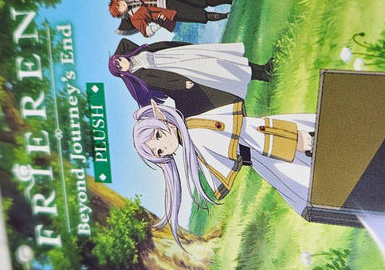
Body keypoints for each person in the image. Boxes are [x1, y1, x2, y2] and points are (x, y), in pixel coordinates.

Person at [132, 100, 314, 249]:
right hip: (264, 158)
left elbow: (249, 130)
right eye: (159, 152)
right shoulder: (191, 139)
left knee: (309, 183)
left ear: (163, 119)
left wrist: (292, 139)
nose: (164, 146)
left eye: (158, 136)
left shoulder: (196, 130)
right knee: (307, 190)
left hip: (273, 145)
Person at [109, 38, 273, 117]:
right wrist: (182, 83)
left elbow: (124, 42)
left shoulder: (137, 53)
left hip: (182, 57)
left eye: (119, 60)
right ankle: (263, 76)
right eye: (119, 67)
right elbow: (164, 81)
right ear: (122, 74)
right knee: (220, 72)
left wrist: (186, 48)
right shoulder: (141, 76)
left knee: (223, 61)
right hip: (182, 72)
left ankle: (263, 70)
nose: (122, 63)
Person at [109, 0, 232, 37]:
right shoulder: (135, 18)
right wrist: (158, 24)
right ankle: (227, 16)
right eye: (118, 8)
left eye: (119, 3)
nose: (121, 5)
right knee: (200, 15)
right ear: (121, 14)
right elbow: (146, 32)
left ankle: (228, 0)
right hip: (170, 12)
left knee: (202, 0)